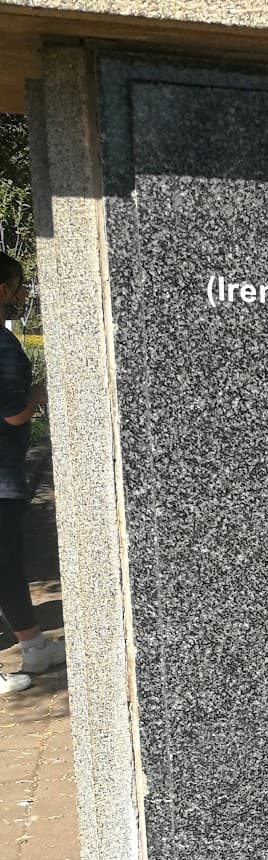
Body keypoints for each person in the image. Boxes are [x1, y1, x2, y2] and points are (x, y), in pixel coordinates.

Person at [0, 253, 66, 694]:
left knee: (7, 564)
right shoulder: (3, 346)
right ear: (2, 289)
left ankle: (34, 645)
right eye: (19, 284)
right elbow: (15, 414)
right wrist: (42, 392)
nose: (24, 293)